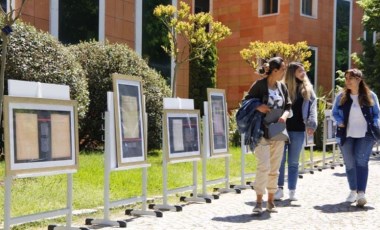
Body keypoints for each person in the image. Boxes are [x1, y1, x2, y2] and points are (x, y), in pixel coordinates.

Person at [244, 57, 291, 213]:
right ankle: (258, 201)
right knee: (263, 165)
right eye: (283, 69)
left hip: (278, 129)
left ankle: (270, 201)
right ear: (275, 70)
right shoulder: (259, 85)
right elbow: (246, 102)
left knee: (275, 167)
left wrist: (284, 115)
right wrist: (259, 106)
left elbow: (288, 106)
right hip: (261, 129)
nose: (285, 71)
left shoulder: (282, 88)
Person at [332, 68, 380, 207]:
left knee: (361, 161)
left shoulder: (370, 96)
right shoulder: (341, 97)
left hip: (366, 134)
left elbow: (377, 114)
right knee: (349, 163)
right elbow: (335, 112)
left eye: (350, 78)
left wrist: (376, 124)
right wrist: (339, 121)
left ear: (358, 80)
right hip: (346, 134)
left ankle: (361, 193)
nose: (347, 81)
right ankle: (353, 190)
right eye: (346, 78)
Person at [274, 62, 317, 201]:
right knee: (280, 161)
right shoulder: (281, 88)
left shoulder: (308, 90)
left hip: (298, 130)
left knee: (293, 162)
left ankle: (292, 190)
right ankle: (279, 189)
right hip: (282, 129)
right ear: (293, 73)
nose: (303, 73)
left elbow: (313, 110)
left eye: (304, 70)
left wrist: (312, 125)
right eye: (300, 71)